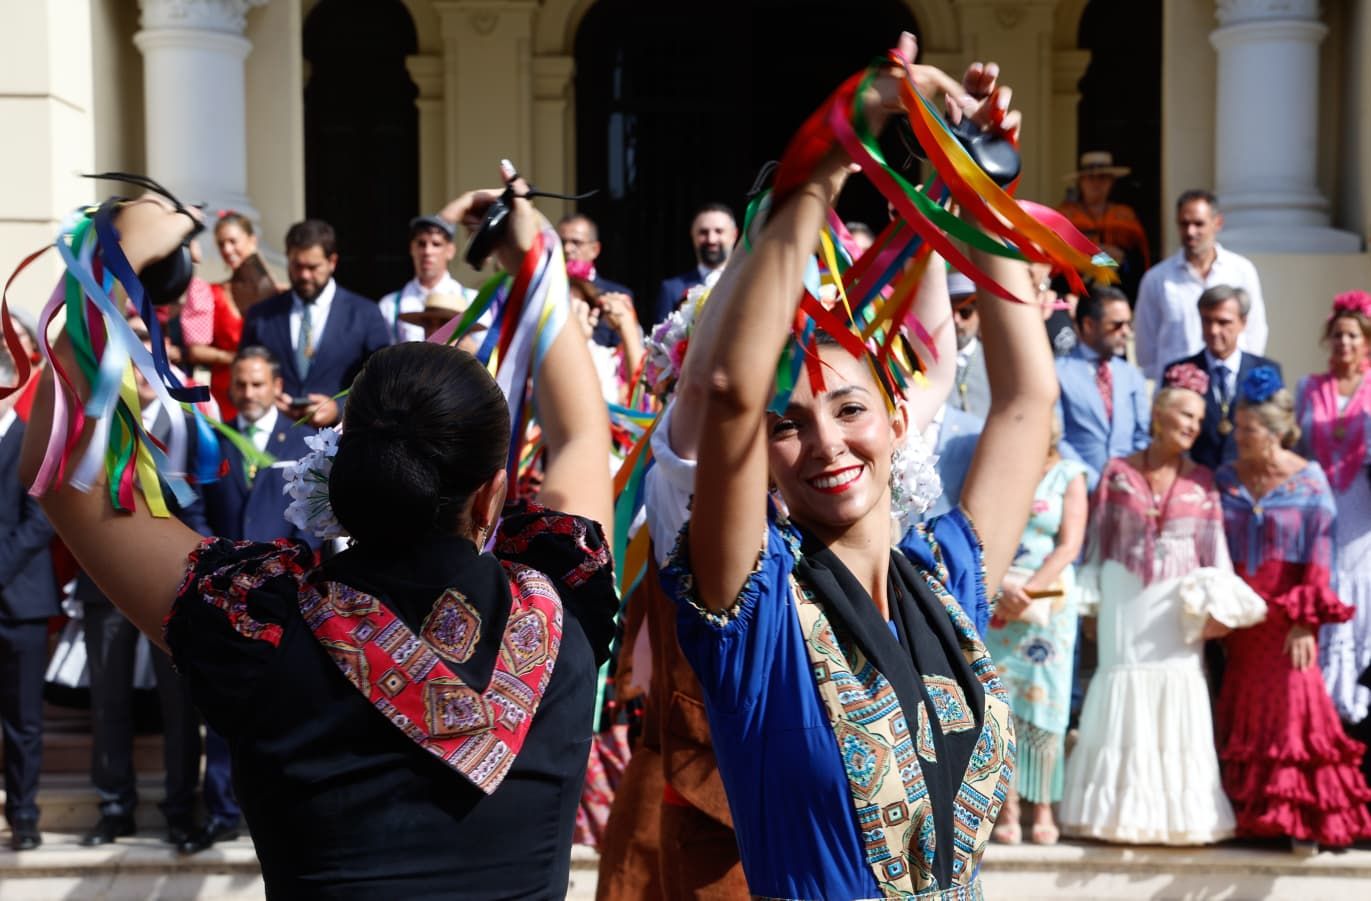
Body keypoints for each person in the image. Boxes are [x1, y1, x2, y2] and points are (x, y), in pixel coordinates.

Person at [21, 177, 618, 896]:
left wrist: (116, 257)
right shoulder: (562, 602)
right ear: (493, 493)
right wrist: (534, 250)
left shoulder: (256, 626)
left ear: (336, 470)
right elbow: (584, 436)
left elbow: (63, 475)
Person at [656, 42, 1047, 898]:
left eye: (848, 409)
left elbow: (1025, 406)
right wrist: (831, 156)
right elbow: (727, 391)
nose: (827, 443)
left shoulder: (948, 579)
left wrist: (983, 191)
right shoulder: (752, 614)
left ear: (896, 416)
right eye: (788, 425)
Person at [1059, 363, 1261, 845]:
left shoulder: (1205, 481)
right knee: (1119, 683)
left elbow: (1216, 555)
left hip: (1179, 606)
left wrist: (1222, 611)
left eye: (1198, 419)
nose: (1193, 426)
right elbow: (1097, 544)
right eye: (1185, 415)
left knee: (1178, 691)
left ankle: (1179, 817)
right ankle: (1115, 815)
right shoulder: (1117, 471)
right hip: (1124, 596)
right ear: (1159, 414)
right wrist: (1091, 607)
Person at [1215, 366, 1371, 852]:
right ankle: (1251, 816)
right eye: (1236, 428)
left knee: (1293, 707)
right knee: (1242, 704)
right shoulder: (1224, 476)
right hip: (1240, 616)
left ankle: (1302, 819)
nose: (1239, 437)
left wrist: (1306, 623)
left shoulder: (1310, 480)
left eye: (1249, 430)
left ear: (1277, 431)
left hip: (1286, 615)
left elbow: (1320, 559)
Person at [75, 316, 209, 848]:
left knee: (180, 701)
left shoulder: (191, 426)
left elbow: (208, 508)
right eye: (133, 354)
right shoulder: (94, 423)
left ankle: (181, 809)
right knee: (108, 699)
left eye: (154, 355)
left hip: (171, 583)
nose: (146, 367)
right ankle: (114, 808)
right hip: (105, 582)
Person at [985, 419, 1088, 846]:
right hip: (1002, 595)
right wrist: (1004, 587)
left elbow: (1070, 544)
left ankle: (1042, 806)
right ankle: (1008, 807)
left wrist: (1028, 589)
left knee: (1047, 703)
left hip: (1050, 597)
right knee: (1002, 701)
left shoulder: (1071, 474)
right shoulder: (1002, 466)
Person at [1296, 292, 1371, 728]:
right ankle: (1323, 698)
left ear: (1365, 344)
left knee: (1360, 585)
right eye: (1338, 335)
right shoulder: (1309, 387)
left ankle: (1358, 700)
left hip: (1361, 498)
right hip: (1317, 500)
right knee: (1326, 579)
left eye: (1353, 336)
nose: (1344, 343)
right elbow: (1295, 443)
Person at [240, 219, 390, 427]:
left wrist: (339, 408)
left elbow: (382, 381)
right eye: (297, 266)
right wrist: (268, 400)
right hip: (275, 442)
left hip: (341, 442)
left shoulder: (365, 313)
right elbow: (243, 374)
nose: (304, 275)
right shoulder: (261, 315)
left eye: (313, 267)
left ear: (332, 262)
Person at [0, 351, 56, 852]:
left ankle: (23, 814)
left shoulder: (29, 444)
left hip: (21, 602)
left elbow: (41, 521)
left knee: (23, 721)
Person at [1135, 190, 1268, 383]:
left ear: (1217, 223)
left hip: (1230, 387)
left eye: (1198, 224)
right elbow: (1145, 350)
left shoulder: (1241, 271)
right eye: (1184, 224)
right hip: (1177, 393)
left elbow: (1255, 331)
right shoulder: (1157, 279)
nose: (1190, 232)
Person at [1164, 284, 1282, 470]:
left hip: (1248, 481)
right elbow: (1166, 435)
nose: (1213, 330)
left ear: (1243, 323)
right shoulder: (1180, 372)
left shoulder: (1266, 371)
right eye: (1206, 321)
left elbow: (1276, 432)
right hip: (1194, 480)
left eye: (1223, 322)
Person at [186, 212, 282, 417]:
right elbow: (196, 351)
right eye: (221, 244)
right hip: (227, 392)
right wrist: (235, 359)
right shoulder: (209, 293)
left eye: (233, 241)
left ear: (252, 240)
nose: (227, 250)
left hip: (269, 393)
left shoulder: (277, 292)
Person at [1056, 285, 1150, 491]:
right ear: (1089, 325)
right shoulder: (1058, 373)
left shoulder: (1131, 375)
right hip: (1078, 491)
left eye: (1128, 324)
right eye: (1117, 325)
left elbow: (1142, 434)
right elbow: (1058, 438)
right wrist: (1094, 482)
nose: (1126, 332)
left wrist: (1130, 477)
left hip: (1128, 490)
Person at [1057, 151, 1151, 294]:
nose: (1096, 183)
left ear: (1111, 181)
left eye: (1102, 177)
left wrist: (1122, 257)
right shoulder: (1064, 215)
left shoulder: (1125, 215)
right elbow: (1054, 256)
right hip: (1074, 291)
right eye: (1090, 178)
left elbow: (1140, 260)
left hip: (1119, 290)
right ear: (1080, 181)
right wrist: (1091, 255)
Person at [378, 215, 474, 344]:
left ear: (450, 250)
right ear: (412, 248)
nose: (427, 251)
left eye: (436, 244)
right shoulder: (389, 305)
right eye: (421, 244)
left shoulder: (473, 301)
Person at [557, 213, 636, 348]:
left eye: (576, 242)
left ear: (595, 249)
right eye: (562, 242)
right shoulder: (547, 291)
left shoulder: (617, 294)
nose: (567, 249)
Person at [651, 204, 738, 327]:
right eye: (703, 232)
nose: (711, 239)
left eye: (719, 231)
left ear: (734, 235)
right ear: (693, 235)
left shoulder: (748, 282)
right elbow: (659, 342)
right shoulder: (671, 289)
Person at [569, 276, 644, 406]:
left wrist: (626, 325)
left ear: (592, 315)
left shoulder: (608, 361)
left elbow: (641, 402)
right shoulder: (533, 360)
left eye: (573, 305)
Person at [949, 271, 990, 419]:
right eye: (949, 311)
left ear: (979, 313)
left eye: (965, 312)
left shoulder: (995, 362)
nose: (956, 320)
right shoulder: (926, 365)